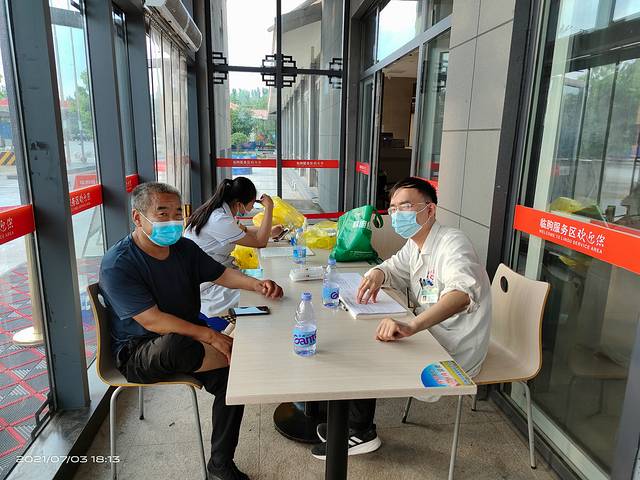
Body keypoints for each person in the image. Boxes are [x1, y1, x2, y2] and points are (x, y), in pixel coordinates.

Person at [99, 182, 283, 480]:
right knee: (177, 344)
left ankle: (220, 464)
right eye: (162, 213)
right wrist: (209, 335)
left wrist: (258, 285)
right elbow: (153, 321)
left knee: (231, 379)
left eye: (177, 213)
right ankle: (229, 355)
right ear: (137, 218)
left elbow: (221, 274)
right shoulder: (118, 263)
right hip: (139, 352)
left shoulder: (183, 249)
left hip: (187, 337)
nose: (173, 221)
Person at [311, 177, 492, 460]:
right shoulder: (415, 244)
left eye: (405, 207)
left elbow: (461, 295)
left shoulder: (453, 243)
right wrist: (377, 273)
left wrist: (411, 326)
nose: (397, 215)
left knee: (367, 348)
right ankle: (349, 422)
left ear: (430, 210)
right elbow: (393, 267)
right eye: (393, 209)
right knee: (362, 334)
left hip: (455, 347)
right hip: (432, 333)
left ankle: (360, 432)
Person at [184, 177, 284, 316]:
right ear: (239, 204)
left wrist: (270, 231)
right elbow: (260, 242)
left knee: (265, 278)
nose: (252, 207)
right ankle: (234, 326)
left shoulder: (219, 211)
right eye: (252, 203)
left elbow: (245, 230)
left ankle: (236, 325)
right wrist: (269, 208)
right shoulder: (219, 220)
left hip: (220, 272)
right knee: (265, 296)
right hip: (210, 284)